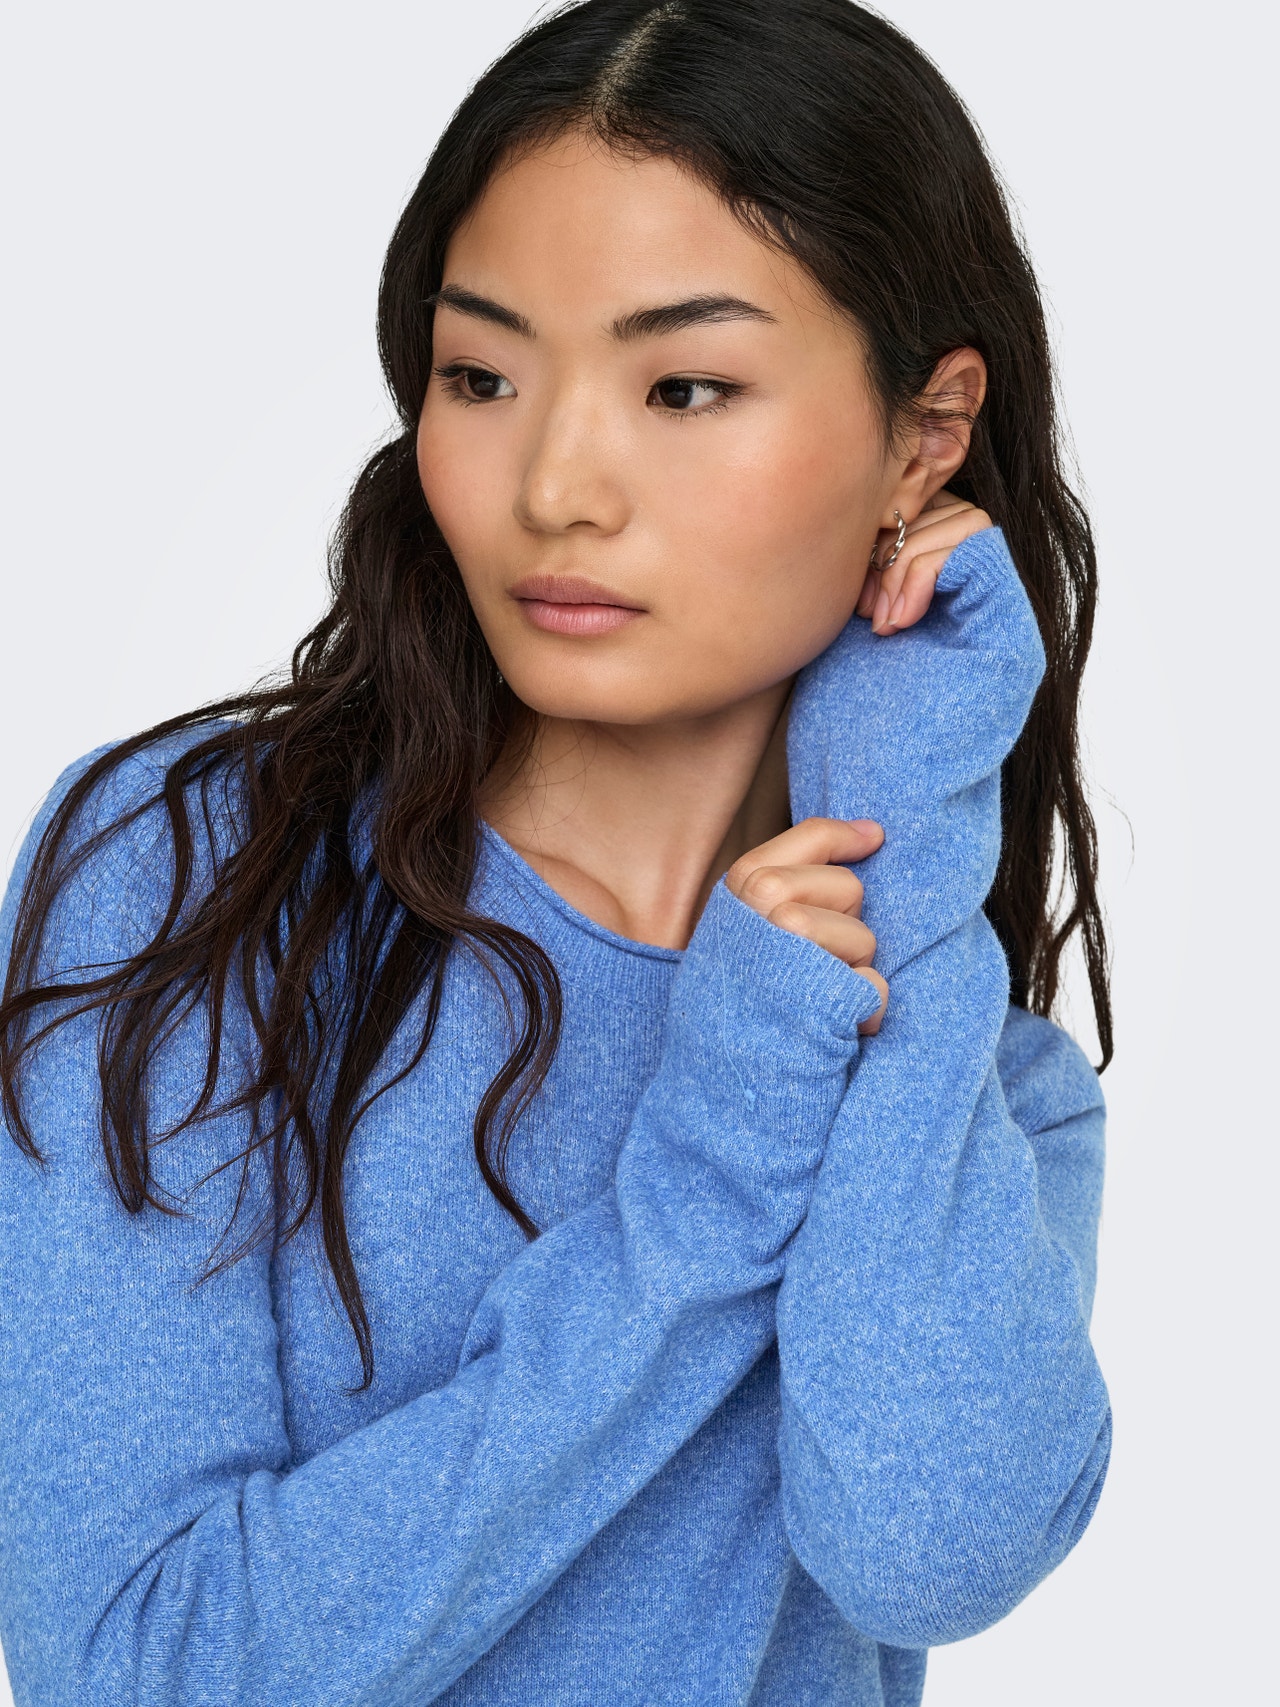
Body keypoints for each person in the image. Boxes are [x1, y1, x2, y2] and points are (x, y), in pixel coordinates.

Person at [0, 2, 1113, 1703]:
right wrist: (712, 1166)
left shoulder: (976, 1089)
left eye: (684, 386)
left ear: (925, 434)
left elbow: (922, 1550)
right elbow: (138, 1670)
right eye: (484, 377)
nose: (555, 488)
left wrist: (906, 819)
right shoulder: (192, 888)